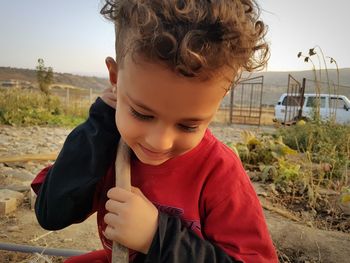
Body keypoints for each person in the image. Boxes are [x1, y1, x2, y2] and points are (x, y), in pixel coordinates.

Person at [31, 0, 278, 262]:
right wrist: (100, 122)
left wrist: (157, 237)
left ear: (221, 98)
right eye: (141, 113)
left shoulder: (219, 173)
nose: (159, 142)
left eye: (188, 125)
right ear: (115, 78)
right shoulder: (106, 141)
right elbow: (51, 213)